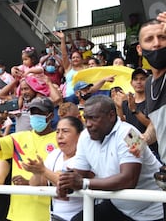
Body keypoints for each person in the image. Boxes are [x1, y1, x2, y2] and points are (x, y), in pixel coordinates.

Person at [57, 95, 163, 221]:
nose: (88, 124)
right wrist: (66, 182)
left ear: (111, 115)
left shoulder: (131, 134)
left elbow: (129, 180)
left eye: (94, 118)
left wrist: (83, 183)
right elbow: (79, 173)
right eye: (86, 118)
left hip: (151, 212)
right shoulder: (85, 136)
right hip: (119, 207)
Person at [0, 97, 58, 221]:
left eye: (40, 113)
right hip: (18, 212)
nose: (35, 116)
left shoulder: (59, 139)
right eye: (33, 113)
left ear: (50, 116)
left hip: (46, 213)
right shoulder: (19, 137)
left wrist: (29, 182)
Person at [24, 116, 84, 221]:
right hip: (55, 216)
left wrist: (43, 170)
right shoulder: (54, 155)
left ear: (79, 135)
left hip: (81, 216)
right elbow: (36, 185)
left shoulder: (85, 156)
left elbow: (67, 184)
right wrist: (36, 173)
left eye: (65, 131)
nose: (60, 136)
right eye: (57, 132)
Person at [136, 13, 166, 166]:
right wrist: (142, 140)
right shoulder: (149, 84)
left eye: (162, 37)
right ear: (140, 49)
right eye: (149, 39)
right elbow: (156, 124)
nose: (156, 44)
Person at [113, 68, 159, 159]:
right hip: (131, 148)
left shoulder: (154, 102)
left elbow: (154, 126)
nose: (139, 82)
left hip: (151, 150)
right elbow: (123, 124)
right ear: (131, 83)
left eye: (142, 79)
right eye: (136, 79)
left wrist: (135, 110)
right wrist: (119, 108)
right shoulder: (127, 102)